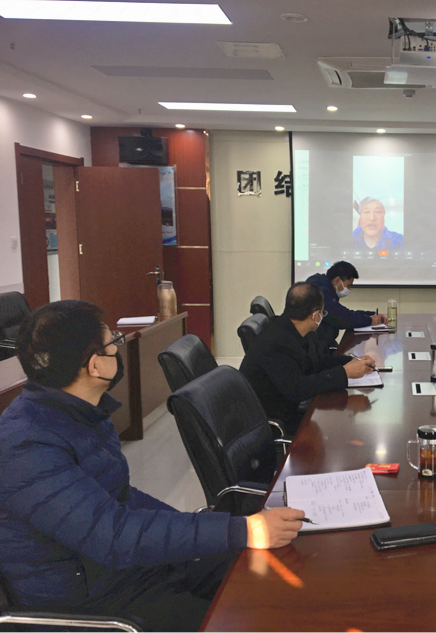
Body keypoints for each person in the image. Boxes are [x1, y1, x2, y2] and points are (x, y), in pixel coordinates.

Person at [0, 300, 304, 632]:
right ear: (95, 366)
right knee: (245, 621)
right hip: (93, 603)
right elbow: (114, 536)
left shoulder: (82, 411)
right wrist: (241, 530)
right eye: (113, 343)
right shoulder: (26, 445)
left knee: (264, 568)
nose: (118, 349)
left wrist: (226, 528)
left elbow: (123, 497)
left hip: (127, 568)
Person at [240, 281, 375, 434]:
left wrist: (351, 361)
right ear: (316, 315)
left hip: (289, 406)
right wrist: (345, 373)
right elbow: (298, 389)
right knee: (344, 430)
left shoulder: (296, 330)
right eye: (323, 313)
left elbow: (316, 362)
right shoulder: (276, 342)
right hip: (276, 421)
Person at [307, 260, 389, 348]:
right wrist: (369, 320)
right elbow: (341, 318)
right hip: (315, 347)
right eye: (349, 285)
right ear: (337, 280)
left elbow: (344, 312)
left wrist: (372, 315)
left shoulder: (324, 286)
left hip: (323, 343)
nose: (349, 289)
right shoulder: (320, 291)